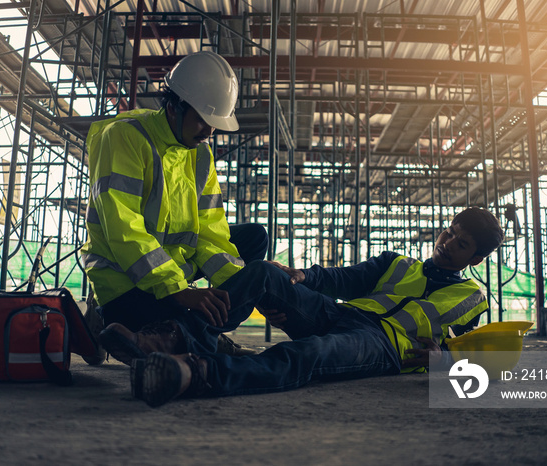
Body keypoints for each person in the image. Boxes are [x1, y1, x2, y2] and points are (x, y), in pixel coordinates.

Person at [103, 207, 504, 407]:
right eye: (450, 232)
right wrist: (300, 278)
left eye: (462, 243)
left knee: (307, 354)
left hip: (381, 345)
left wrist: (445, 361)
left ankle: (197, 372)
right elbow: (344, 279)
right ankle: (174, 337)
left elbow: (480, 357)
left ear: (476, 258)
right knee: (262, 272)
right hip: (339, 315)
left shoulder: (472, 296)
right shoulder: (396, 263)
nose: (448, 243)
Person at [80, 51, 267, 358]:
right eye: (203, 120)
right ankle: (110, 318)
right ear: (173, 107)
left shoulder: (201, 154)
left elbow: (210, 233)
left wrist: (247, 286)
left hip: (173, 273)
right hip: (125, 283)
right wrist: (179, 291)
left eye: (214, 124)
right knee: (164, 315)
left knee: (255, 241)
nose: (209, 132)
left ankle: (186, 335)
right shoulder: (124, 138)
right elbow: (124, 231)